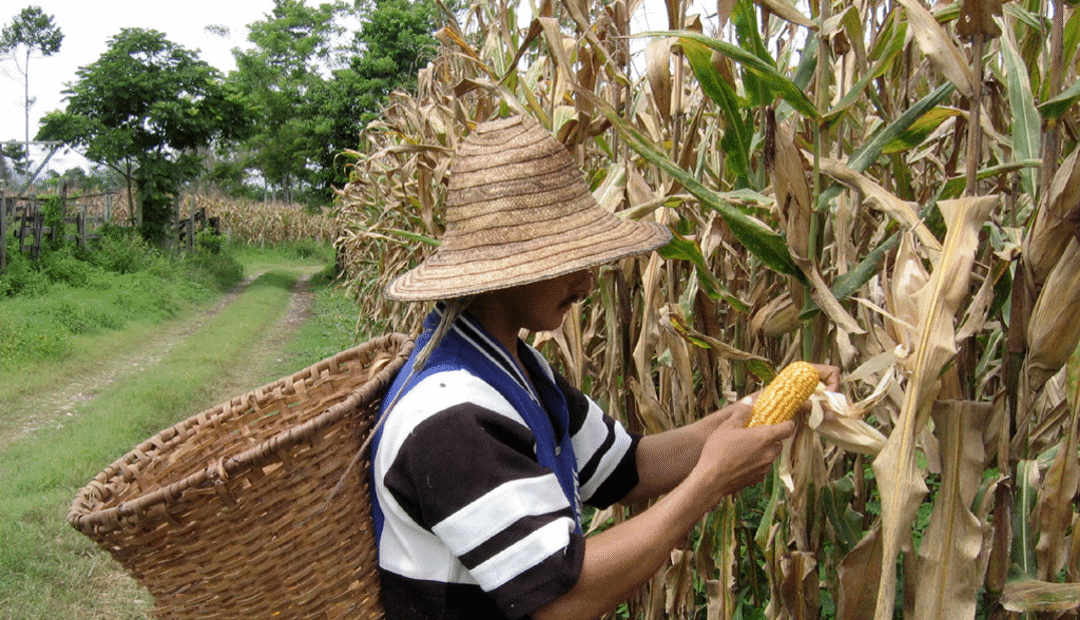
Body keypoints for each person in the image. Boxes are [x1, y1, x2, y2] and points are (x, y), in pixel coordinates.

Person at [369, 115, 838, 620]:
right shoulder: (451, 415)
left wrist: (758, 410)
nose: (589, 283)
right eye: (573, 261)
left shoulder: (517, 370)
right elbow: (561, 600)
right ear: (508, 270)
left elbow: (628, 467)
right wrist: (711, 480)